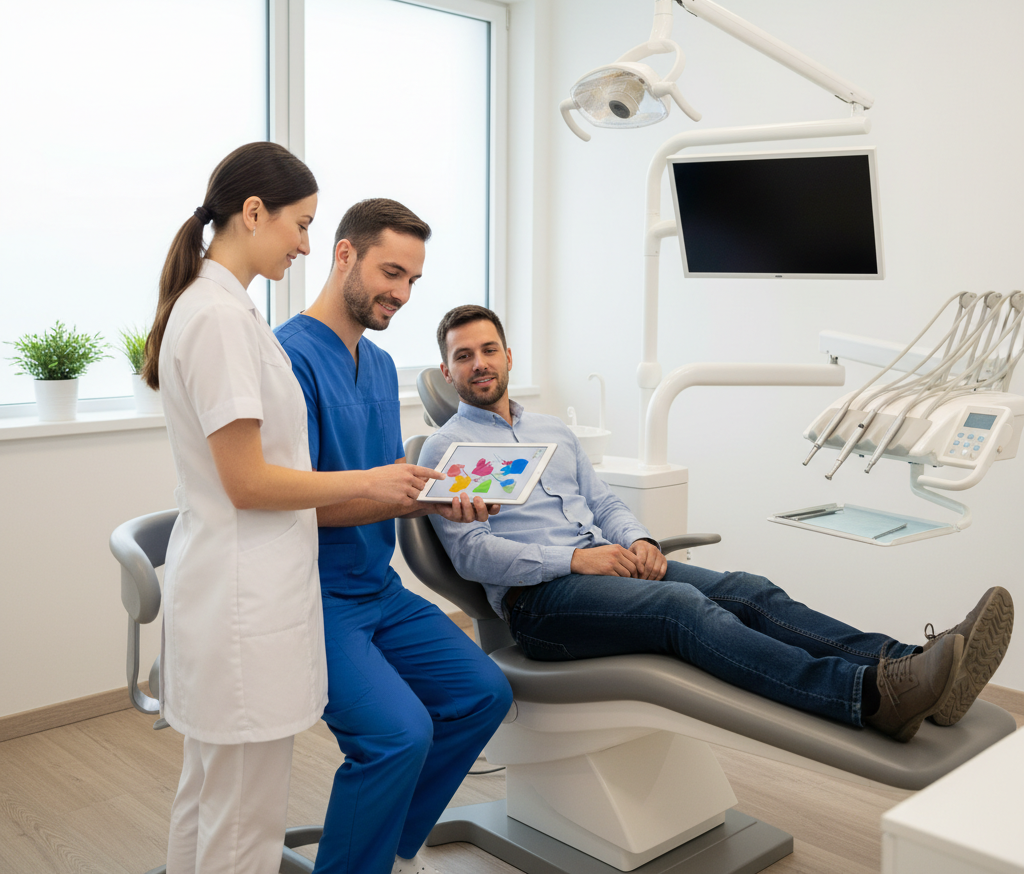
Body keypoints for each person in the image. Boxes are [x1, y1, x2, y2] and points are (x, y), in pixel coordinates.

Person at [420, 304, 1015, 744]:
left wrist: (640, 539)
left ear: (508, 356)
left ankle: (912, 663)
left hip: (612, 565)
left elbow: (604, 505)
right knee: (681, 607)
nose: (479, 364)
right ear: (448, 372)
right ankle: (869, 696)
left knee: (746, 589)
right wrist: (576, 560)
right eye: (463, 356)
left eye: (488, 349)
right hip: (541, 606)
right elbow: (473, 555)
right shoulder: (447, 453)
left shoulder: (553, 430)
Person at [144, 145, 442, 874]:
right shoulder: (217, 317)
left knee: (211, 802)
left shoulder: (224, 309)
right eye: (300, 224)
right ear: (253, 213)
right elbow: (248, 481)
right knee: (244, 825)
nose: (306, 243)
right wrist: (367, 485)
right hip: (246, 601)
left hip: (242, 592)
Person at [275, 200, 513, 874]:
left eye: (412, 280)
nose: (402, 294)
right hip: (311, 596)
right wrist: (395, 493)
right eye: (390, 273)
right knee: (397, 735)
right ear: (343, 255)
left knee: (483, 694)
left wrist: (440, 500)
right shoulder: (286, 359)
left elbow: (382, 486)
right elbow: (287, 501)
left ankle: (384, 849)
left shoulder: (380, 366)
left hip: (377, 588)